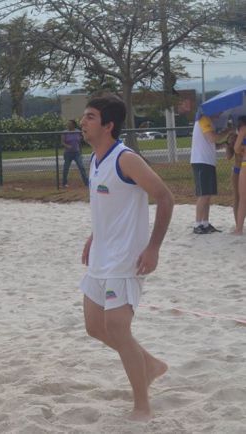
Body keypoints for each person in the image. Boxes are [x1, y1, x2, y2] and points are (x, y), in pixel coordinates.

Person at [79, 95, 174, 421]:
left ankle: (142, 406)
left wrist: (153, 247)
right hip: (102, 255)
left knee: (117, 327)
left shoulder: (126, 159)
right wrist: (95, 236)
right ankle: (150, 365)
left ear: (108, 125)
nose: (83, 121)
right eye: (84, 116)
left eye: (90, 117)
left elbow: (165, 197)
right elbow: (109, 207)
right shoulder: (94, 158)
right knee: (94, 326)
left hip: (125, 260)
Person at [190, 112, 232, 234]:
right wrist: (228, 131)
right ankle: (197, 224)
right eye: (218, 112)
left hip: (208, 162)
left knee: (207, 194)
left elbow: (212, 144)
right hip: (201, 161)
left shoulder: (208, 122)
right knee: (203, 194)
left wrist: (224, 144)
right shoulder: (203, 119)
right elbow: (213, 138)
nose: (220, 115)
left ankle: (205, 223)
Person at [61, 119, 89, 187]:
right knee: (66, 168)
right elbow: (62, 142)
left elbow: (79, 143)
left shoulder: (78, 132)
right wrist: (67, 146)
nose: (68, 125)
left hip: (77, 153)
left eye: (70, 124)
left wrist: (80, 152)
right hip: (68, 153)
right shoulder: (65, 132)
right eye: (68, 124)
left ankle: (86, 183)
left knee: (81, 167)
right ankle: (64, 183)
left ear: (73, 125)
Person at [232, 116, 246, 235]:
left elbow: (236, 148)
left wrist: (243, 149)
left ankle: (239, 228)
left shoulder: (243, 129)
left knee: (243, 199)